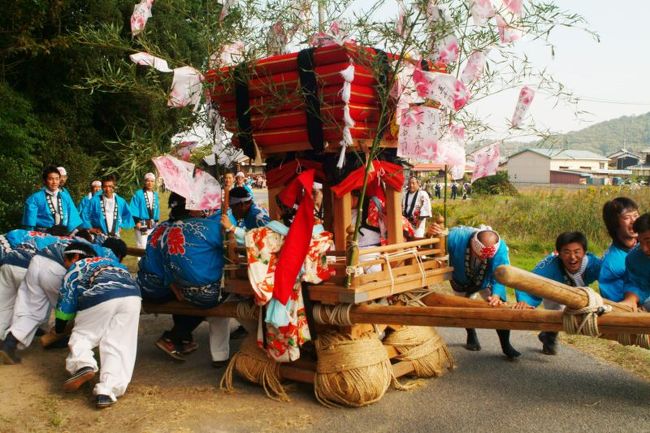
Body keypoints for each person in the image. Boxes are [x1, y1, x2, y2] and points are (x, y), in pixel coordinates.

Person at [0, 237, 123, 364]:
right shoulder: (109, 254)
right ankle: (67, 343)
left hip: (37, 261)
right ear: (119, 255)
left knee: (32, 310)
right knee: (74, 308)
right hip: (57, 267)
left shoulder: (81, 243)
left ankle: (9, 343)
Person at [55, 241, 140, 409]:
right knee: (119, 343)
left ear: (76, 256)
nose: (65, 264)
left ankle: (83, 364)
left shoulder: (78, 266)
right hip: (132, 295)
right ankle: (107, 391)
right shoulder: (115, 264)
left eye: (66, 260)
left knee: (83, 335)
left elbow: (67, 297)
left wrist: (60, 326)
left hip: (101, 293)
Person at [430, 223, 520, 360]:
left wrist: (496, 294)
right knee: (464, 308)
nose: (482, 259)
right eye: (478, 255)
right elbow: (433, 247)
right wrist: (432, 233)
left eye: (486, 257)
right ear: (473, 243)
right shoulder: (455, 237)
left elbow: (502, 273)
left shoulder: (500, 247)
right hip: (460, 277)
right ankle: (471, 333)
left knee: (500, 307)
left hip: (486, 279)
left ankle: (506, 345)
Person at [516, 232, 602, 355]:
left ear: (584, 252)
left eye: (577, 252)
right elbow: (529, 282)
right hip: (554, 290)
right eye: (566, 252)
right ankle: (549, 335)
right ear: (559, 254)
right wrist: (525, 301)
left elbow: (610, 281)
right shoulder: (549, 266)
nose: (572, 257)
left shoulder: (594, 264)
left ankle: (548, 332)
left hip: (580, 293)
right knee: (557, 309)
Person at [599, 197, 639, 302]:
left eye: (635, 215)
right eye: (627, 217)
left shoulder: (644, 244)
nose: (634, 221)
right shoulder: (611, 263)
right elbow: (619, 305)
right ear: (615, 223)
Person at [22, 166, 83, 234]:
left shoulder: (65, 197)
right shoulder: (34, 198)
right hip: (42, 235)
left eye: (57, 179)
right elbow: (29, 224)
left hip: (63, 235)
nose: (54, 182)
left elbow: (73, 219)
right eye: (51, 179)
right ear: (45, 180)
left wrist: (74, 232)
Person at [620, 213, 650, 311]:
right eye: (640, 242)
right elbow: (636, 284)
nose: (644, 249)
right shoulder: (634, 258)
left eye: (648, 242)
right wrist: (630, 300)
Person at [129, 172, 161, 249]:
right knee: (142, 246)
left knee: (152, 246)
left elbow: (157, 209)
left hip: (153, 224)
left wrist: (156, 222)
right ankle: (141, 261)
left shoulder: (155, 195)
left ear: (154, 182)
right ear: (144, 182)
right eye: (148, 181)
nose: (150, 183)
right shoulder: (138, 194)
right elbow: (133, 208)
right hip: (142, 223)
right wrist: (137, 222)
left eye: (152, 181)